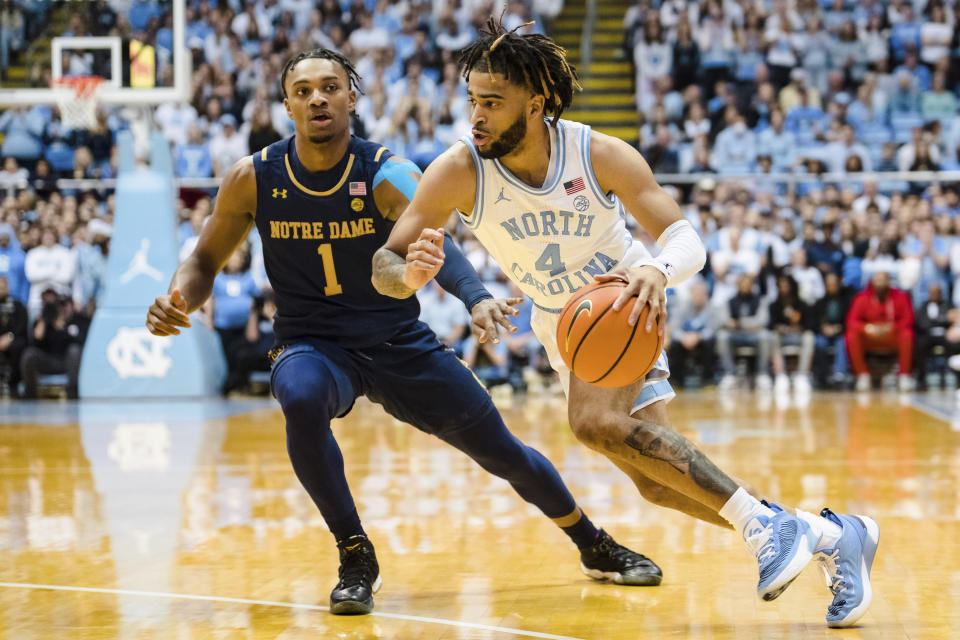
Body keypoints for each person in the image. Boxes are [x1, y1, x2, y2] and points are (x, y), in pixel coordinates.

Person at [373, 18, 878, 628]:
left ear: (534, 106)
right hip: (563, 324)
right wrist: (409, 276)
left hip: (626, 303)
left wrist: (660, 272)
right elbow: (387, 262)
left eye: (491, 103)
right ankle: (828, 536)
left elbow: (685, 237)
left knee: (593, 421)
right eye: (472, 101)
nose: (475, 117)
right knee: (658, 484)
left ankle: (763, 526)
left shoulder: (598, 153)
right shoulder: (458, 169)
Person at [146, 48, 659, 617]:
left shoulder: (385, 170)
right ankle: (355, 554)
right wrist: (178, 298)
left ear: (351, 98)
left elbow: (436, 240)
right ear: (287, 104)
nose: (318, 97)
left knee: (504, 453)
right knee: (301, 395)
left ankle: (593, 543)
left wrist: (477, 297)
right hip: (311, 342)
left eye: (331, 86)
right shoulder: (252, 178)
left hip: (396, 340)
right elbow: (203, 261)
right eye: (304, 90)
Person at [846, 270, 915, 393]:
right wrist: (866, 328)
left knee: (907, 334)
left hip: (891, 335)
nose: (880, 283)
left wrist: (892, 328)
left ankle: (904, 375)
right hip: (870, 336)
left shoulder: (900, 297)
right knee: (851, 335)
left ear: (889, 282)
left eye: (883, 280)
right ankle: (863, 375)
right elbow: (852, 321)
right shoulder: (861, 298)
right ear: (872, 282)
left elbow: (908, 319)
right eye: (878, 280)